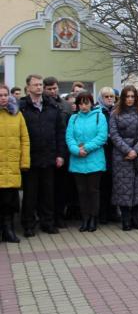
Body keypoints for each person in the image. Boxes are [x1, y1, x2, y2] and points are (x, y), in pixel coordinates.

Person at [18, 74, 66, 236]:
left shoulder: (52, 106)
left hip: (49, 156)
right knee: (30, 194)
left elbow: (60, 132)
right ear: (28, 87)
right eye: (36, 85)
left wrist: (60, 154)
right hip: (30, 158)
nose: (39, 87)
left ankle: (48, 223)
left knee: (48, 193)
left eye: (40, 84)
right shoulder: (21, 107)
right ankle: (29, 225)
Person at [65, 92, 108, 232]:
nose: (84, 106)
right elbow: (69, 137)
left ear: (91, 103)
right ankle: (85, 218)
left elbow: (102, 137)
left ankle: (94, 218)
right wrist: (76, 150)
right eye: (81, 103)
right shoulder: (73, 118)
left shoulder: (99, 116)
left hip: (94, 159)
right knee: (82, 191)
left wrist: (86, 148)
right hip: (78, 160)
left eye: (86, 103)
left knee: (93, 191)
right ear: (77, 105)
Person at [109, 85, 138, 231]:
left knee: (137, 186)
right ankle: (125, 218)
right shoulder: (115, 113)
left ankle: (135, 217)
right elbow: (113, 134)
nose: (130, 99)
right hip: (121, 155)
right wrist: (127, 149)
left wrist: (136, 150)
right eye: (127, 96)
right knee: (123, 187)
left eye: (133, 96)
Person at [43, 76, 75, 228]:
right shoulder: (42, 105)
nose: (52, 91)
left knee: (62, 187)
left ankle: (59, 216)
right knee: (47, 189)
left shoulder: (66, 106)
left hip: (64, 151)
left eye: (54, 88)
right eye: (49, 89)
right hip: (46, 151)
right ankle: (47, 217)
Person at [0, 85, 29, 243]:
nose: (3, 97)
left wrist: (24, 162)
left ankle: (8, 230)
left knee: (9, 201)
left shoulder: (17, 115)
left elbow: (25, 140)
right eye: (0, 95)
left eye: (5, 94)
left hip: (11, 165)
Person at [97, 87, 119, 224]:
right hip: (102, 151)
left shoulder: (117, 112)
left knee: (113, 184)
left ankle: (112, 211)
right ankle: (102, 213)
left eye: (112, 96)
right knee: (102, 184)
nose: (110, 99)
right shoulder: (97, 112)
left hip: (115, 151)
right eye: (106, 96)